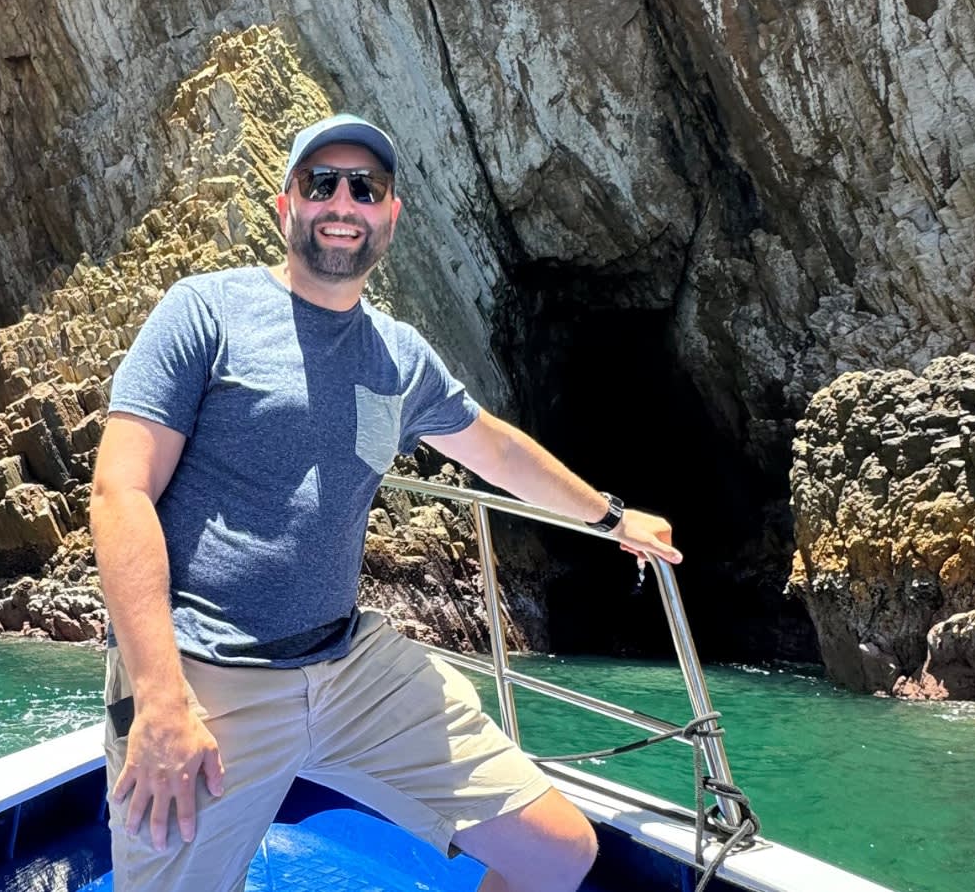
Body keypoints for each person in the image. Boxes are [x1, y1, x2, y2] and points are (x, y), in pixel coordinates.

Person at [90, 113, 682, 891]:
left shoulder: (401, 357)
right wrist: (160, 698)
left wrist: (612, 517)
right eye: (321, 183)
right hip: (205, 672)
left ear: (390, 216)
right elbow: (120, 490)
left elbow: (498, 450)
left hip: (349, 666)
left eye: (365, 189)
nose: (343, 202)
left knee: (557, 853)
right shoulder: (206, 312)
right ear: (286, 204)